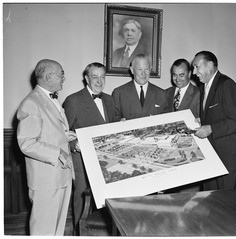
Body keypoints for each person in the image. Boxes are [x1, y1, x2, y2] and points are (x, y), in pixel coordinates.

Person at [17, 59, 76, 235]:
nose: (64, 78)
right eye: (61, 74)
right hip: (46, 180)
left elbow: (47, 131)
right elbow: (26, 142)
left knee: (56, 230)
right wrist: (58, 152)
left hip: (60, 176)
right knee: (43, 230)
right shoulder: (32, 102)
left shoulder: (49, 99)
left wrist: (65, 136)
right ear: (49, 76)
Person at [63, 62, 116, 235]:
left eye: (103, 77)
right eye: (95, 77)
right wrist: (74, 145)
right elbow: (63, 133)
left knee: (104, 198)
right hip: (82, 160)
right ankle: (80, 233)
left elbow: (112, 126)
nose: (100, 81)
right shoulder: (73, 100)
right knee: (81, 197)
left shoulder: (109, 99)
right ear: (86, 78)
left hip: (106, 160)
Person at [192, 51, 236, 190]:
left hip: (230, 159)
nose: (194, 72)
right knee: (212, 204)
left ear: (210, 65)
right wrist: (202, 121)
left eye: (197, 66)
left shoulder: (227, 84)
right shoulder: (203, 87)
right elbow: (216, 115)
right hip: (213, 157)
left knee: (228, 205)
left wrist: (210, 128)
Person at [112, 54, 168, 121]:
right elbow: (113, 119)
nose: (143, 73)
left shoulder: (161, 93)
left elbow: (166, 120)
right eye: (140, 69)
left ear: (150, 69)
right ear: (132, 70)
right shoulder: (119, 93)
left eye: (146, 69)